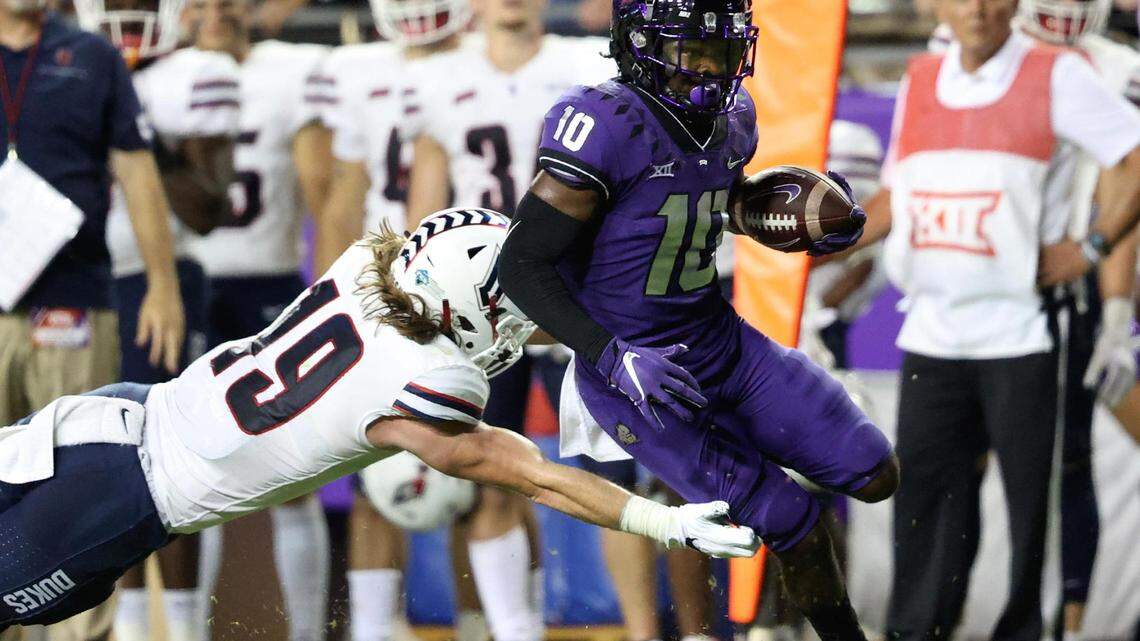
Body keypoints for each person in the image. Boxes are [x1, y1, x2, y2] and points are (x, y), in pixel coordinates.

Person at [0, 208, 761, 636]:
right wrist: (662, 523)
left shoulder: (368, 268)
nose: (523, 327)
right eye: (516, 314)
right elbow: (534, 474)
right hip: (121, 498)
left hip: (116, 412)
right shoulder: (431, 379)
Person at [497, 0, 899, 639]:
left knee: (874, 471)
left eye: (723, 53)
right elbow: (519, 265)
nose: (709, 74)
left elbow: (695, 202)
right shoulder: (602, 123)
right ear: (639, 47)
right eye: (691, 54)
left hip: (723, 343)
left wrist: (769, 214)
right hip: (637, 375)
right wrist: (609, 354)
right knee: (791, 518)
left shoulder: (734, 119)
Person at [848, 0, 1140, 638]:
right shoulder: (925, 76)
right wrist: (823, 237)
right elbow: (900, 194)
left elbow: (1131, 158)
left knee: (1043, 499)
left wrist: (1097, 262)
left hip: (1033, 324)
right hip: (933, 328)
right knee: (927, 505)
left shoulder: (1073, 71)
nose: (977, 9)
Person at [402, 2, 612, 640]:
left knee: (624, 466)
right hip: (485, 306)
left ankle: (645, 624)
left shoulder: (586, 66)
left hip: (576, 290)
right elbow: (424, 211)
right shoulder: (443, 80)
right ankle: (513, 631)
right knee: (488, 475)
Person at [0, 0, 183, 638]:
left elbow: (136, 172)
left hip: (73, 302)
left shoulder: (93, 56)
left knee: (77, 491)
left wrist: (162, 283)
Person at [308, 1, 491, 639]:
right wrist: (330, 291)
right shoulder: (357, 68)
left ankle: (482, 619)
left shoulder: (487, 58)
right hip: (382, 288)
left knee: (481, 460)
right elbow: (345, 193)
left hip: (469, 287)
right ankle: (373, 628)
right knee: (370, 460)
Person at [70, 0, 240, 638]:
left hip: (156, 283)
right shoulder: (59, 63)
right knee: (82, 461)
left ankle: (186, 630)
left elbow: (205, 210)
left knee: (164, 460)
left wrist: (131, 125)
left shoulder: (197, 73)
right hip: (68, 285)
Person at [182, 0, 334, 637]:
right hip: (187, 285)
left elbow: (322, 193)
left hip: (270, 286)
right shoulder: (162, 73)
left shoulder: (292, 71)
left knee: (294, 470)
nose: (215, 12)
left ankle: (305, 631)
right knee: (185, 475)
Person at [1016, 1, 1140, 638]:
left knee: (1073, 458)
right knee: (976, 459)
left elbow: (1119, 190)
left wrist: (1117, 315)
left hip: (1079, 281)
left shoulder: (1120, 66)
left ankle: (1072, 622)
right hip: (1001, 284)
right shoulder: (978, 49)